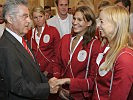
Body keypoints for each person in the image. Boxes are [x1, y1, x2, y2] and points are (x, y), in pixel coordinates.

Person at [0, 0, 59, 99]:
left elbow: (34, 70)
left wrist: (48, 83)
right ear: (10, 19)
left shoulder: (22, 40)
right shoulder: (6, 47)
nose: (29, 20)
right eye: (24, 16)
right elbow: (17, 86)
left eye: (28, 16)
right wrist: (47, 88)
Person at [52, 6, 104, 100]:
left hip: (81, 96)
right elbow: (57, 63)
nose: (75, 22)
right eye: (74, 18)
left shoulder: (95, 45)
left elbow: (93, 81)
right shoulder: (65, 39)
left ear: (89, 23)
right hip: (61, 92)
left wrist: (68, 81)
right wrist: (58, 85)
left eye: (79, 20)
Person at [92, 6, 133, 100]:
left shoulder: (125, 57)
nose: (98, 25)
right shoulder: (107, 48)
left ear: (115, 24)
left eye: (101, 21)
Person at [28, 6, 60, 78]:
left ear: (45, 16)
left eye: (40, 16)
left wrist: (47, 71)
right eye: (35, 17)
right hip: (35, 72)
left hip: (50, 72)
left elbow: (57, 54)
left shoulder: (53, 31)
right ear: (32, 19)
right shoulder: (30, 33)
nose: (38, 20)